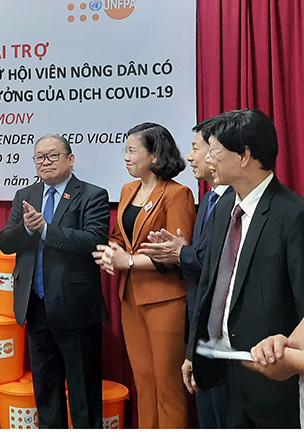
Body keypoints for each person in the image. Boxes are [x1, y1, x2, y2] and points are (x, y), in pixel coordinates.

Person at [185, 108, 304, 428]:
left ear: (244, 155)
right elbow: (209, 283)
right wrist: (192, 351)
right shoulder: (224, 205)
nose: (207, 159)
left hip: (274, 379)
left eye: (214, 151)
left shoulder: (292, 215)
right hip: (225, 370)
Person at [0, 134, 110, 428]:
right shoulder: (25, 195)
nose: (45, 162)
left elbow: (94, 241)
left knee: (84, 393)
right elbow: (5, 242)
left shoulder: (92, 195)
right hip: (36, 307)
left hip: (75, 308)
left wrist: (46, 229)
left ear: (70, 160)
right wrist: (27, 229)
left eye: (52, 155)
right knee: (46, 392)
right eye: (39, 157)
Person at [92, 122, 195, 428]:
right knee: (144, 381)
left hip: (165, 300)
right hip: (130, 297)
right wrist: (111, 252)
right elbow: (119, 237)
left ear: (155, 156)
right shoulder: (128, 189)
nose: (126, 156)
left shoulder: (177, 194)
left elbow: (177, 253)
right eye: (125, 150)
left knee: (168, 384)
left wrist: (129, 261)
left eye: (132, 150)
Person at [137, 125, 233, 428]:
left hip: (226, 333)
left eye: (196, 148)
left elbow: (222, 265)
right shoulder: (208, 200)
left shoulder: (234, 203)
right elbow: (197, 262)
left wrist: (181, 254)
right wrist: (179, 254)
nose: (189, 157)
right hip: (200, 328)